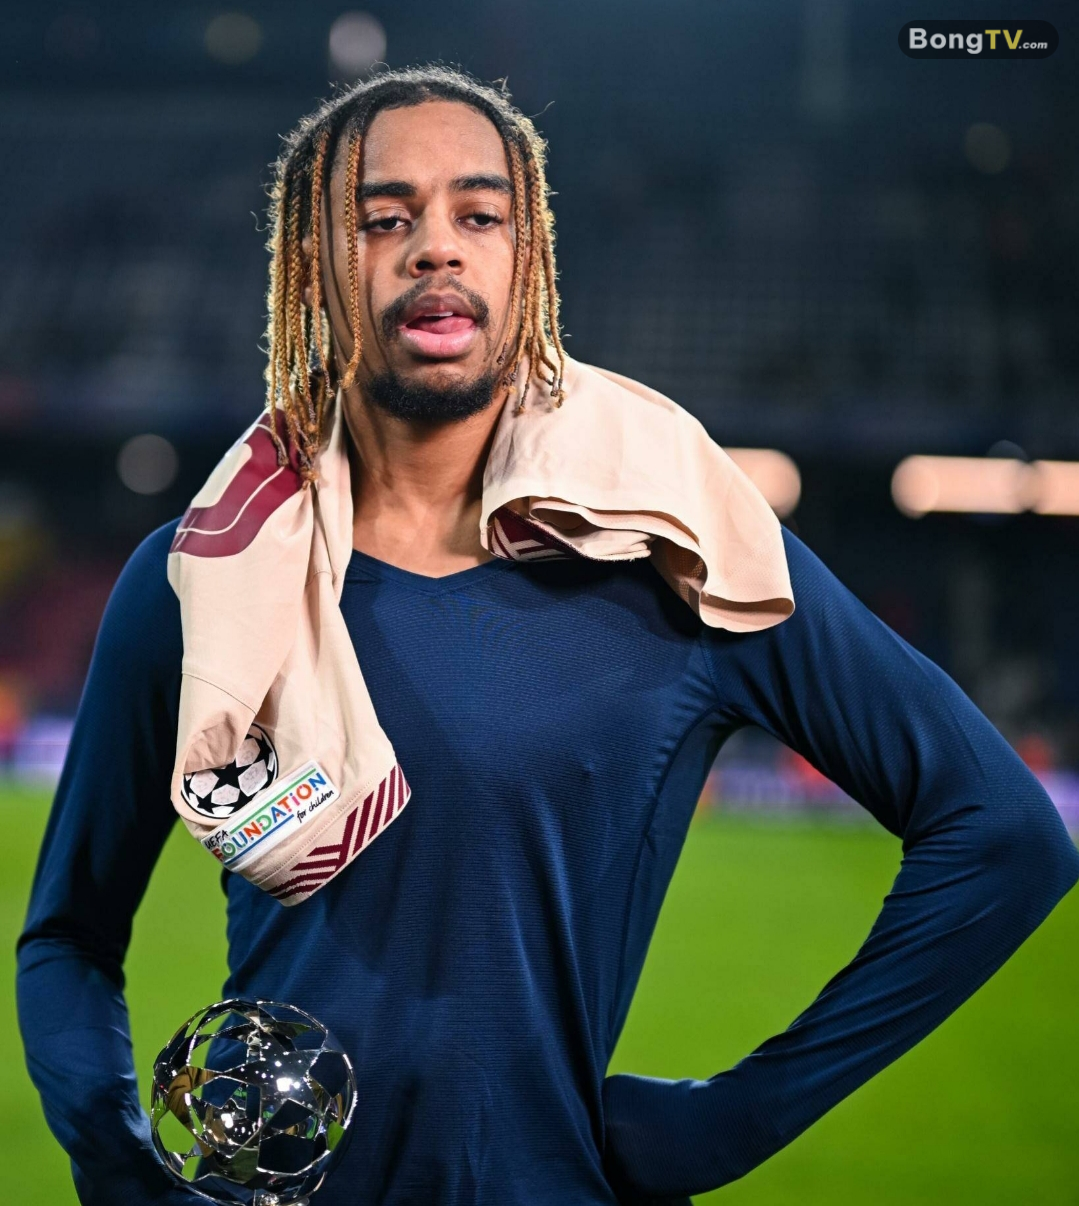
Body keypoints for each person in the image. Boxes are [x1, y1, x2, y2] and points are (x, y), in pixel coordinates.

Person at [17, 65, 1079, 1206]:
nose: (437, 247)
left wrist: (735, 1120)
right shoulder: (200, 577)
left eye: (480, 215)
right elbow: (69, 936)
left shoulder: (677, 545)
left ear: (528, 260)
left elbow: (1001, 834)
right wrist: (113, 1156)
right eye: (383, 219)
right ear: (312, 266)